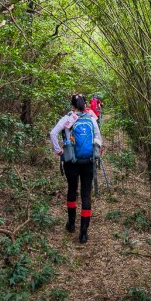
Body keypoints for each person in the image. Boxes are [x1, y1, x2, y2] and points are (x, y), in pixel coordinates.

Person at [50, 94, 102, 243]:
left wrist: (59, 151)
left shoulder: (67, 119)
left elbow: (53, 133)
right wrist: (97, 150)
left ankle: (71, 224)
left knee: (72, 190)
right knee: (86, 195)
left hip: (71, 161)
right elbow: (98, 137)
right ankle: (83, 234)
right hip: (88, 162)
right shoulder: (91, 118)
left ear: (72, 105)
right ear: (85, 105)